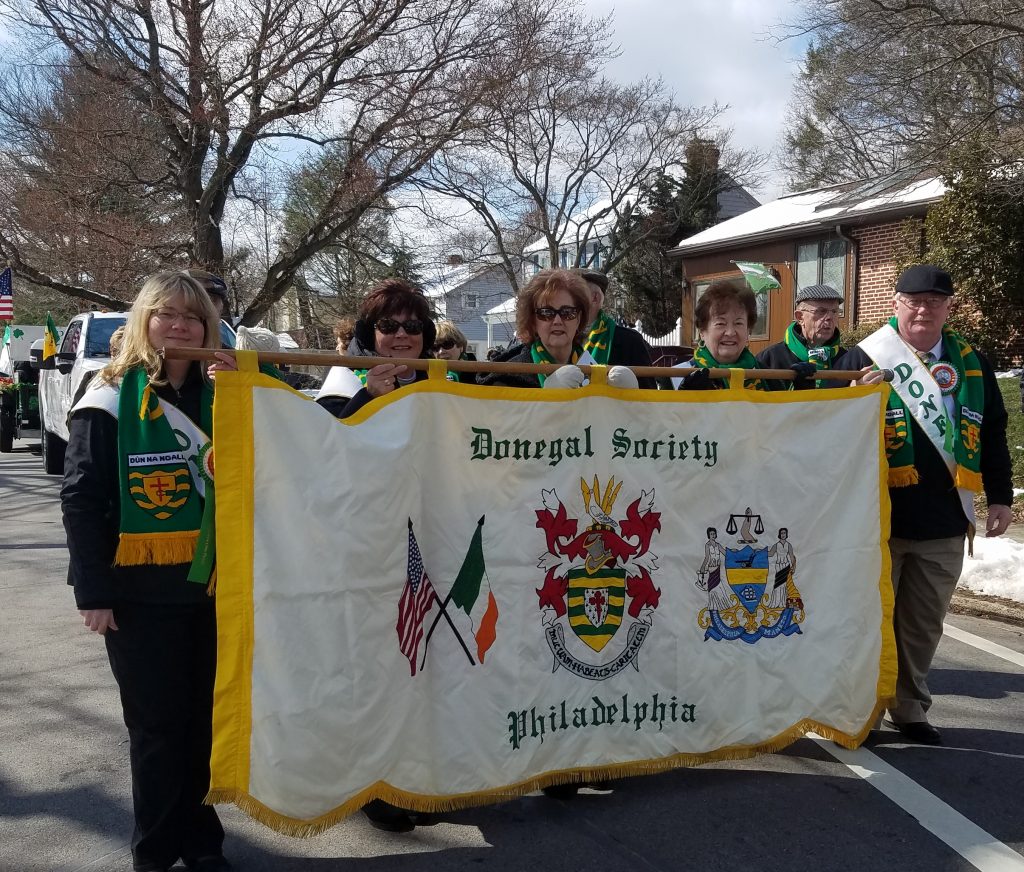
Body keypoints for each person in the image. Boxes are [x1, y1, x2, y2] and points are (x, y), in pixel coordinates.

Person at [61, 271, 237, 872]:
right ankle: (156, 850)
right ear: (145, 319)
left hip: (219, 587)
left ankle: (202, 839)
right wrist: (94, 590)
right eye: (167, 313)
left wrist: (244, 396)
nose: (180, 325)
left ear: (209, 326)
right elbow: (81, 498)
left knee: (207, 723)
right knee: (159, 728)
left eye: (193, 317)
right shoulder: (108, 393)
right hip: (138, 595)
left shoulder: (229, 394)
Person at [839, 264, 1012, 745]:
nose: (923, 309)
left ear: (948, 308)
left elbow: (993, 431)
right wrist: (848, 401)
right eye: (913, 300)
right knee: (868, 621)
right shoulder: (862, 356)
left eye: (934, 301)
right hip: (877, 518)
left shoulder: (971, 362)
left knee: (922, 625)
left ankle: (910, 707)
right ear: (895, 303)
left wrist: (1000, 495)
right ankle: (863, 709)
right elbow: (823, 425)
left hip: (944, 520)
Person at [477, 269, 637, 390]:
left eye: (568, 313)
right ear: (532, 321)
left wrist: (626, 401)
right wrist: (544, 401)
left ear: (579, 319)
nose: (558, 320)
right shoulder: (507, 377)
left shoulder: (597, 373)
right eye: (546, 313)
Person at [317, 278, 436, 422]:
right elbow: (328, 439)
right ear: (370, 334)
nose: (401, 334)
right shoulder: (343, 380)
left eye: (412, 326)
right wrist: (367, 397)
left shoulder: (441, 380)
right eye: (388, 325)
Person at [574, 268, 657, 389]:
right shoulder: (561, 336)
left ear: (595, 298)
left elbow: (648, 393)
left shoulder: (629, 341)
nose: (567, 299)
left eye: (574, 294)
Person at [757, 284, 846, 390]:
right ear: (800, 317)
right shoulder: (770, 359)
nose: (830, 318)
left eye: (835, 312)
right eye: (821, 311)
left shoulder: (846, 359)